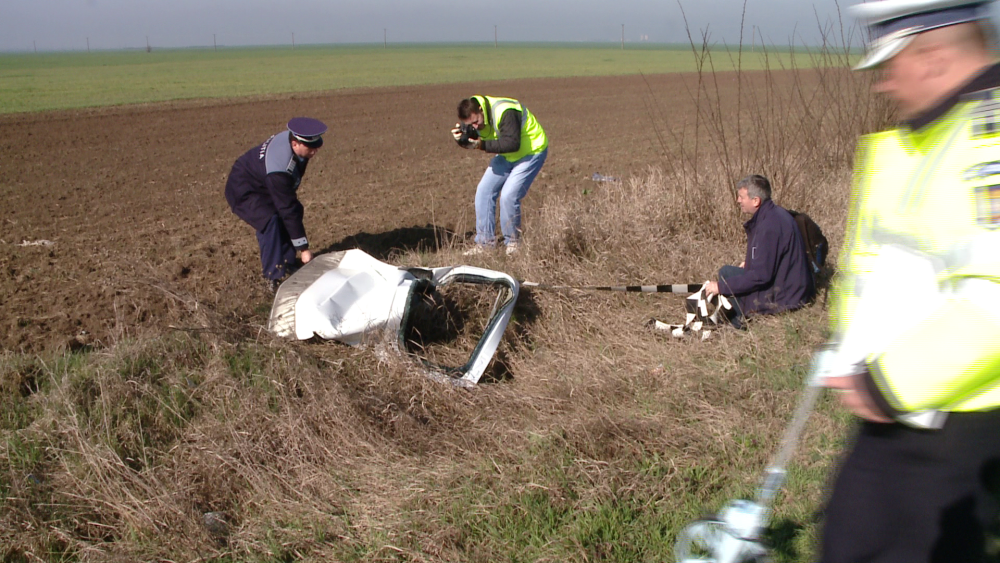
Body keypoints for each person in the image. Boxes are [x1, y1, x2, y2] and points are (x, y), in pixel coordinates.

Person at [819, 1, 1000, 561]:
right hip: (911, 404)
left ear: (935, 55)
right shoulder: (937, 135)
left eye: (889, 65)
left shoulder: (988, 143)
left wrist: (889, 382)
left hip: (955, 418)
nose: (883, 85)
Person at [224, 117, 327, 293]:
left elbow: (289, 201)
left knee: (293, 210)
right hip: (243, 188)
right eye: (311, 148)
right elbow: (286, 208)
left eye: (317, 147)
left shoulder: (294, 141)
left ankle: (288, 262)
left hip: (263, 182)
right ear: (295, 144)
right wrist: (304, 248)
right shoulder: (280, 168)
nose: (315, 151)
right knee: (269, 220)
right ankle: (273, 275)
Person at [704, 174, 815, 329]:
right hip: (792, 286)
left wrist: (720, 287)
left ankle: (738, 322)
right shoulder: (774, 214)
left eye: (741, 197)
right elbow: (770, 258)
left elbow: (761, 277)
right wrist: (750, 263)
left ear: (756, 201)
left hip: (785, 295)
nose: (738, 200)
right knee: (728, 272)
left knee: (725, 278)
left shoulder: (769, 227)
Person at [451, 96, 548, 255]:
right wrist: (463, 139)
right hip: (507, 155)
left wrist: (480, 145)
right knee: (484, 191)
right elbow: (479, 136)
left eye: (476, 122)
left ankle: (513, 244)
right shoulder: (478, 118)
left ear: (480, 110)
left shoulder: (505, 111)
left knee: (509, 196)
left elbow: (512, 143)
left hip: (531, 152)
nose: (475, 126)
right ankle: (485, 243)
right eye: (471, 125)